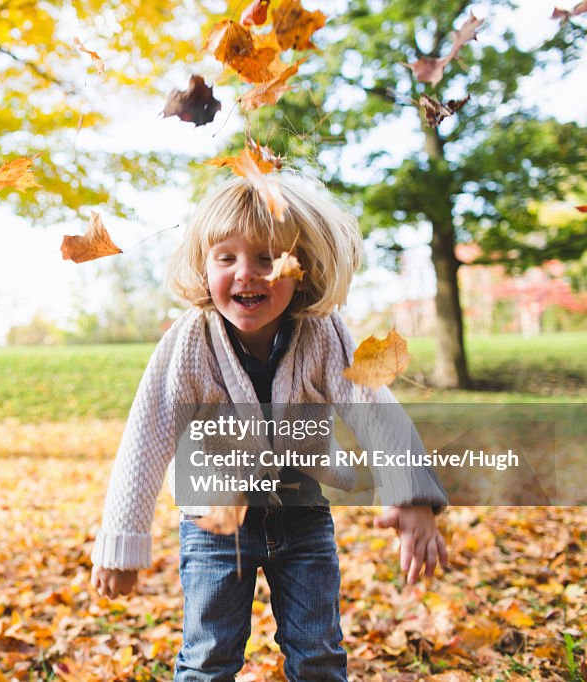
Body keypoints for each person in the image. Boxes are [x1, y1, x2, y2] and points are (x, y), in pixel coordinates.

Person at [89, 174, 449, 681]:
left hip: (301, 516)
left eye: (267, 258)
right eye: (226, 258)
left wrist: (411, 496)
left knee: (318, 653)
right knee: (208, 656)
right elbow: (146, 434)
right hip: (215, 525)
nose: (246, 275)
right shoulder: (190, 342)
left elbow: (373, 405)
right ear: (203, 264)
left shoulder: (323, 335)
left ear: (302, 268)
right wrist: (122, 541)